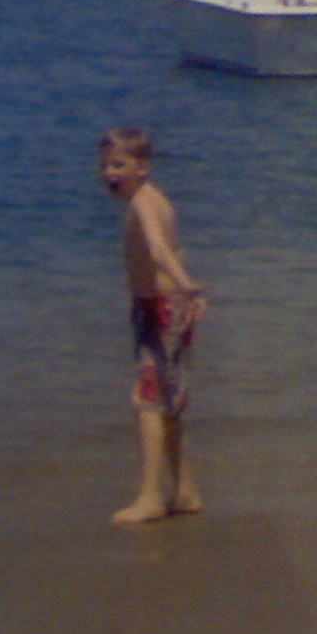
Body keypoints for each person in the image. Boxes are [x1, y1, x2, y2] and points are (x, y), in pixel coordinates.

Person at [99, 126, 206, 525]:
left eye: (119, 165)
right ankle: (186, 490)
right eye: (106, 166)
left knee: (147, 402)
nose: (110, 173)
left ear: (142, 167)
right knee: (169, 405)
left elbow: (160, 249)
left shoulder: (144, 202)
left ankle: (150, 497)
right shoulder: (152, 199)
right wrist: (190, 291)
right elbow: (174, 247)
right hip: (163, 307)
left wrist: (185, 286)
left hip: (162, 310)